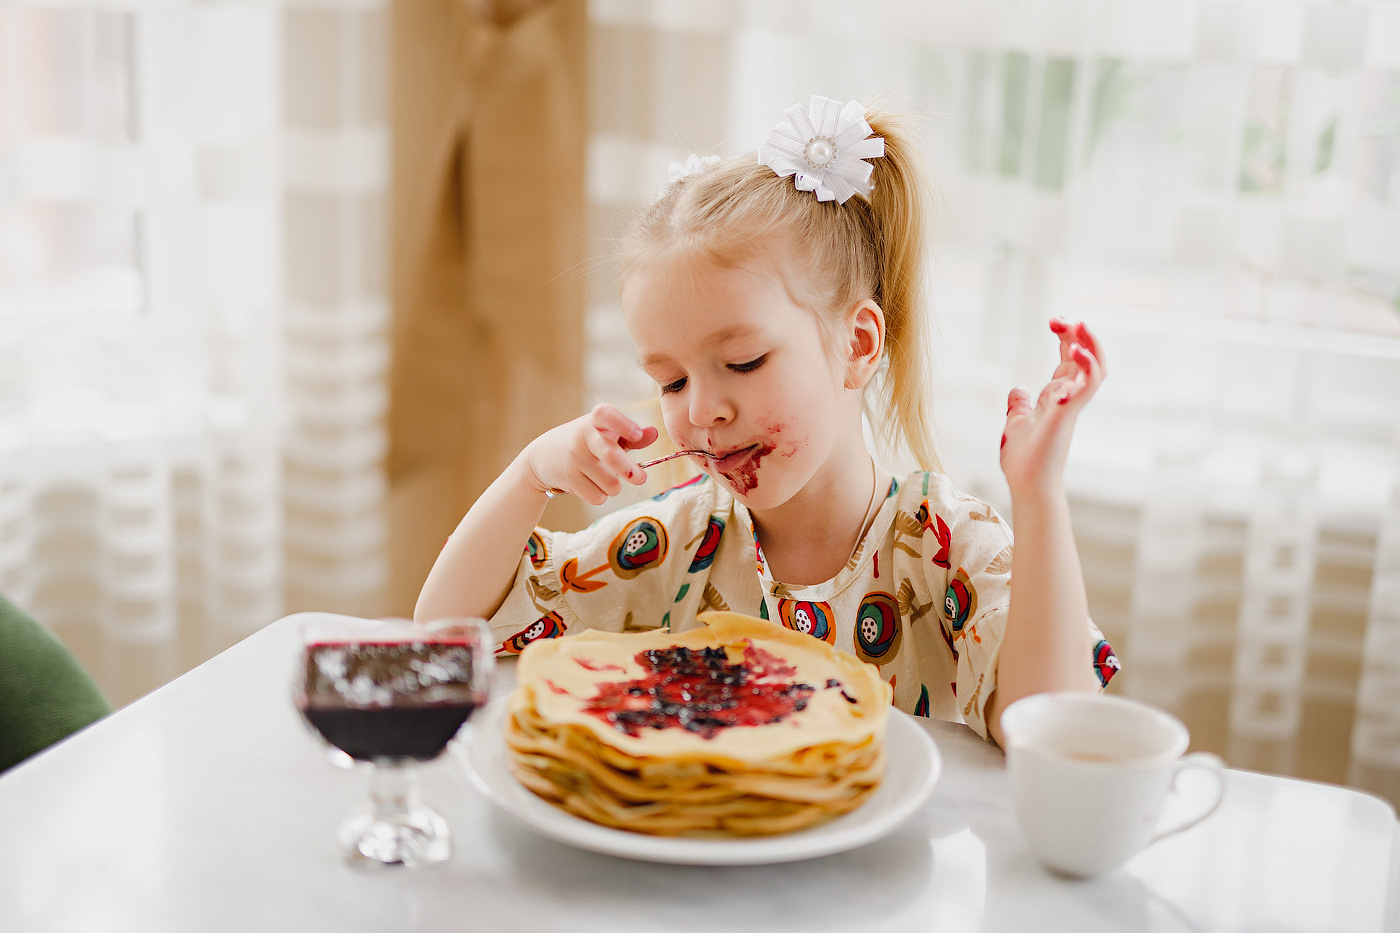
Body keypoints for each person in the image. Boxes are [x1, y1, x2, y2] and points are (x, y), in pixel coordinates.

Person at [415, 95, 1119, 746]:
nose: (701, 410)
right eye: (671, 381)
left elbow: (1048, 728)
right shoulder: (679, 542)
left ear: (858, 345)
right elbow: (447, 633)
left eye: (743, 362)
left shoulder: (942, 546)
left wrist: (1039, 498)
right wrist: (532, 472)